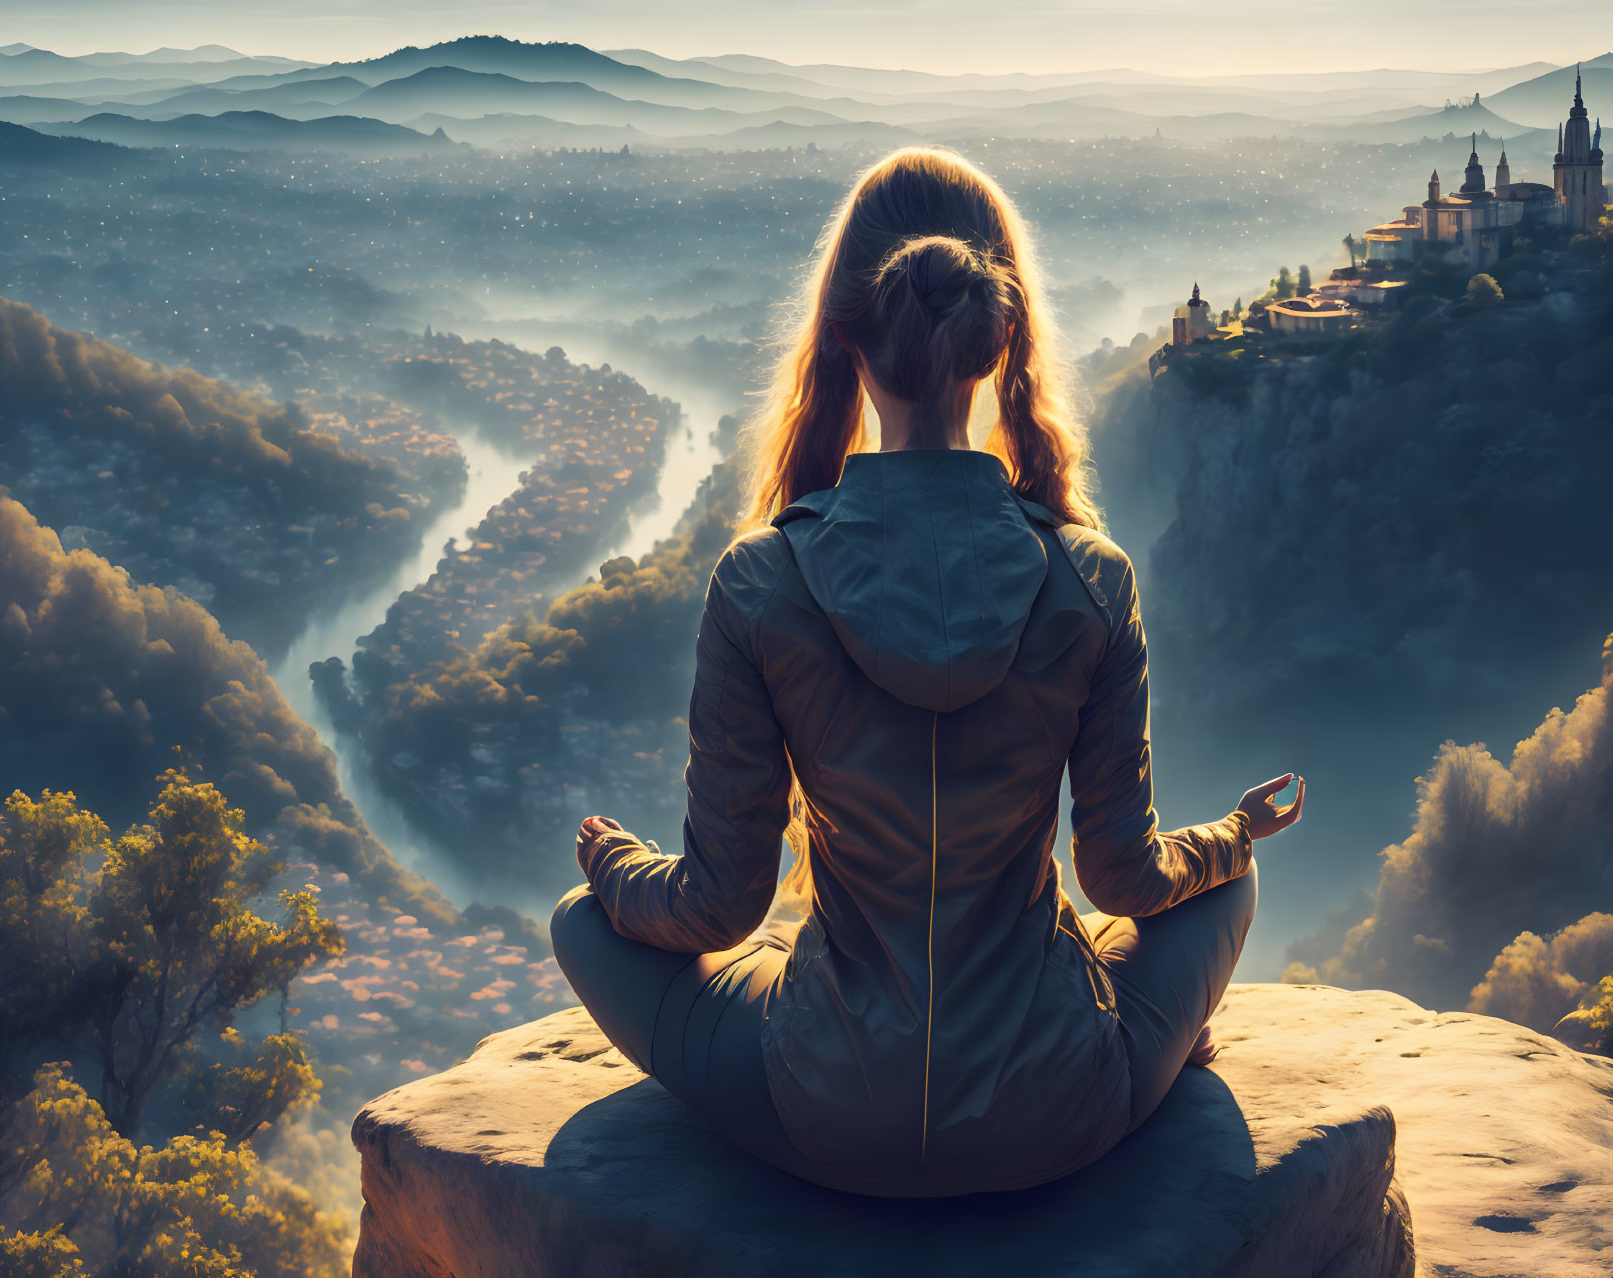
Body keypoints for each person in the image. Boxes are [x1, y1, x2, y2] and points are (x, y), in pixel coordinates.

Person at [551, 145, 1304, 1198]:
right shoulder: (1086, 577)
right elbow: (1120, 880)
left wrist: (613, 868)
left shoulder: (760, 582)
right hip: (1059, 1111)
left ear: (845, 331)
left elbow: (718, 911)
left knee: (581, 927)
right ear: (998, 342)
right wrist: (1233, 834)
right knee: (1232, 887)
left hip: (823, 1112)